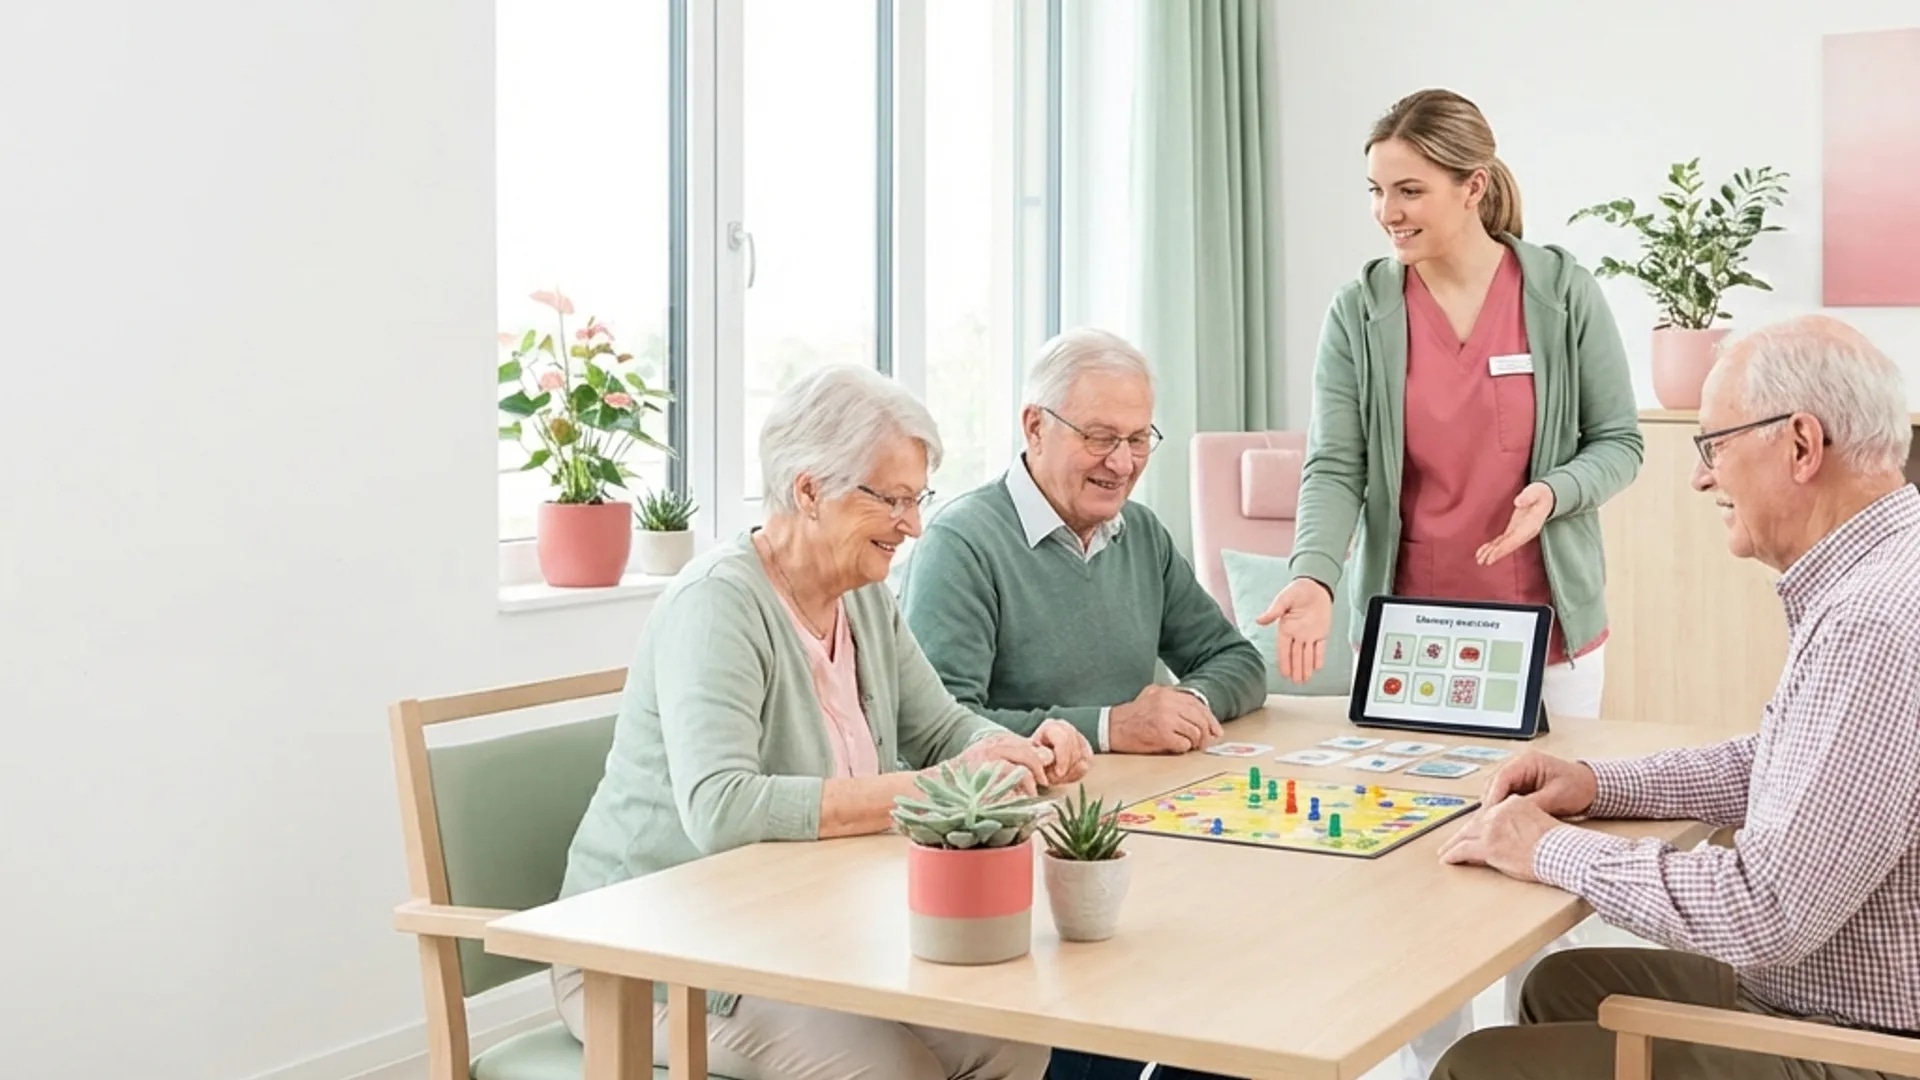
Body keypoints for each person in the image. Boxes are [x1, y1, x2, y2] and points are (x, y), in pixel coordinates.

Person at [1251, 88, 1644, 1077]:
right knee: (1418, 879)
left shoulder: (1559, 292)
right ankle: (1437, 1069)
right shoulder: (1364, 310)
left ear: (1475, 185)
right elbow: (1336, 466)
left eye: (1410, 189)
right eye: (1377, 190)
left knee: (1535, 876)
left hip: (1548, 640)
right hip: (1418, 648)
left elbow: (1622, 444)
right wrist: (1315, 577)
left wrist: (1554, 492)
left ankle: (1521, 1061)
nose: (1389, 211)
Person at [551, 364, 1093, 1080]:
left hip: (793, 936)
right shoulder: (717, 605)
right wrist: (938, 789)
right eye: (894, 499)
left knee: (1011, 1042)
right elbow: (720, 806)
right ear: (810, 490)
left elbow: (940, 729)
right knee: (892, 1071)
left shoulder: (863, 596)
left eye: (918, 497)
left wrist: (1016, 751)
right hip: (650, 959)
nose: (914, 524)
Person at [1431, 313, 1920, 1079]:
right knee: (1571, 984)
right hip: (1832, 998)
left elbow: (1767, 911)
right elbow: (1792, 763)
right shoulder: (1888, 566)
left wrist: (1551, 848)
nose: (1700, 476)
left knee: (1479, 1067)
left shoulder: (1872, 622)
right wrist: (1599, 785)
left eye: (1714, 446)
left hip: (1860, 1045)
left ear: (1800, 445)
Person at [898, 327, 1268, 760]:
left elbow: (1238, 661)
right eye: (1100, 437)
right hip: (1032, 812)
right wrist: (1110, 727)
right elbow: (938, 731)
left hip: (1143, 797)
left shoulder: (1141, 531)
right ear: (1035, 427)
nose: (1122, 463)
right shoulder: (960, 544)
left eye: (1138, 439)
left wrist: (1190, 704)